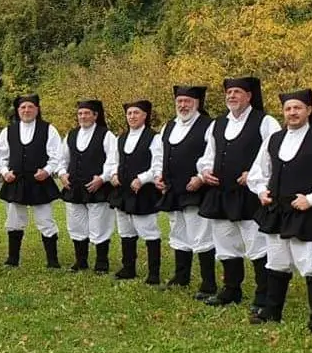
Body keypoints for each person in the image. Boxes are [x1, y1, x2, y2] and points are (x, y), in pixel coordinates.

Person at [248, 90, 312, 331]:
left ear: (309, 110)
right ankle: (272, 311)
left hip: (307, 213)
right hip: (276, 211)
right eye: (288, 109)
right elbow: (258, 173)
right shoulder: (273, 140)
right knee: (276, 261)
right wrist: (261, 191)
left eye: (298, 108)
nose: (292, 113)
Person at [198, 77, 281, 314]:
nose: (231, 96)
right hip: (221, 193)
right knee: (225, 243)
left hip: (250, 195)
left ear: (249, 95)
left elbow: (277, 154)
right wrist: (205, 171)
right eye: (229, 92)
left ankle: (263, 295)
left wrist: (255, 174)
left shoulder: (265, 122)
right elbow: (208, 155)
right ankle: (231, 289)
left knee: (257, 244)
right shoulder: (217, 124)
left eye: (237, 92)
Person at [154, 86, 216, 296]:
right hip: (172, 189)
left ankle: (208, 284)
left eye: (187, 101)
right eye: (179, 101)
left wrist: (200, 178)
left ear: (197, 103)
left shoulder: (209, 125)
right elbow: (160, 155)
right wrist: (158, 176)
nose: (183, 105)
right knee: (178, 231)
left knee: (200, 234)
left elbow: (213, 155)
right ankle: (181, 276)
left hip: (195, 189)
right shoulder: (168, 126)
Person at [0, 94, 62, 268]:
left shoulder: (48, 129)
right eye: (23, 107)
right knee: (14, 220)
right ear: (18, 110)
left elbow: (56, 156)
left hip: (40, 181)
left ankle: (52, 260)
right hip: (15, 181)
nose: (26, 110)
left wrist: (47, 171)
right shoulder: (8, 131)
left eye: (30, 107)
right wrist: (4, 172)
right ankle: (12, 259)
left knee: (45, 220)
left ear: (37, 109)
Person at [58, 100, 118, 274]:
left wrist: (103, 178)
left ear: (95, 115)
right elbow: (62, 159)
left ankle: (101, 263)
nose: (82, 116)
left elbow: (113, 160)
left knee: (100, 225)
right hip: (74, 187)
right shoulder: (71, 135)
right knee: (76, 224)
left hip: (98, 187)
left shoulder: (106, 135)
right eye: (80, 113)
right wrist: (62, 174)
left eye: (86, 113)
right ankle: (81, 261)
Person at [108, 100, 162, 283]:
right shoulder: (121, 138)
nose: (132, 116)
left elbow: (158, 164)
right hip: (122, 191)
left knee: (149, 231)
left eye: (136, 113)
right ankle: (128, 268)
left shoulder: (154, 138)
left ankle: (154, 273)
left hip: (143, 192)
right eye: (129, 113)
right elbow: (113, 161)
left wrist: (142, 179)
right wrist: (113, 174)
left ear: (145, 116)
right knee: (125, 230)